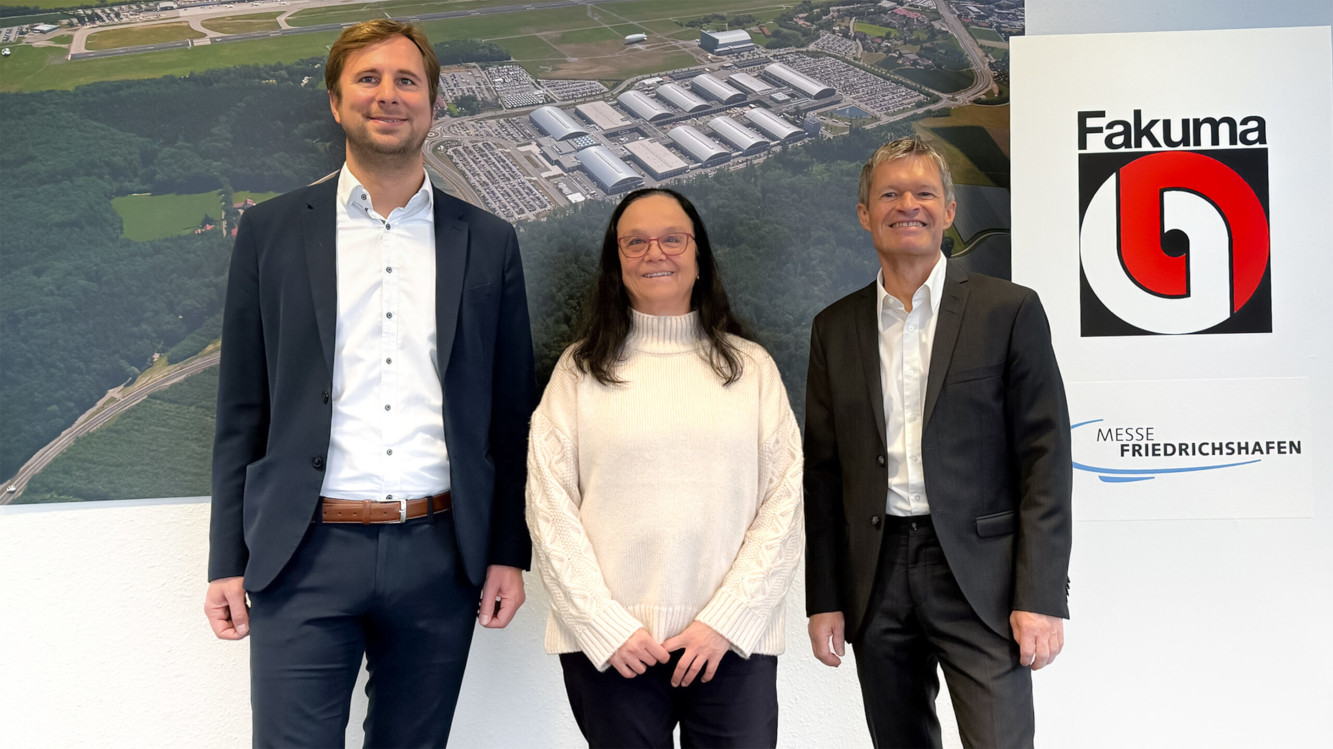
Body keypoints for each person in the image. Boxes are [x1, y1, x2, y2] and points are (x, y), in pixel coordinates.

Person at [203, 20, 534, 747]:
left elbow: (510, 415)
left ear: (434, 104)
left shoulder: (487, 241)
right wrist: (226, 560)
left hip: (440, 555)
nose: (388, 95)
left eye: (406, 80)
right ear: (335, 102)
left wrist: (507, 548)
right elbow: (241, 408)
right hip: (302, 553)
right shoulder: (272, 232)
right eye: (368, 79)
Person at [803, 137, 1072, 748]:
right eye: (890, 194)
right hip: (876, 578)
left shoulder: (1009, 311)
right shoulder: (834, 328)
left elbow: (1045, 462)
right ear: (865, 213)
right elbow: (821, 476)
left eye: (925, 193)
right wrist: (825, 598)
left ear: (949, 211)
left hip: (984, 579)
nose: (908, 205)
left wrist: (1040, 594)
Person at [525, 188, 804, 748]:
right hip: (612, 651)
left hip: (730, 645)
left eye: (672, 239)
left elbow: (785, 502)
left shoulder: (751, 369)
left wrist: (725, 621)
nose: (656, 253)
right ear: (616, 263)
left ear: (698, 257)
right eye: (636, 242)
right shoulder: (578, 372)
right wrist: (605, 627)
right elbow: (549, 507)